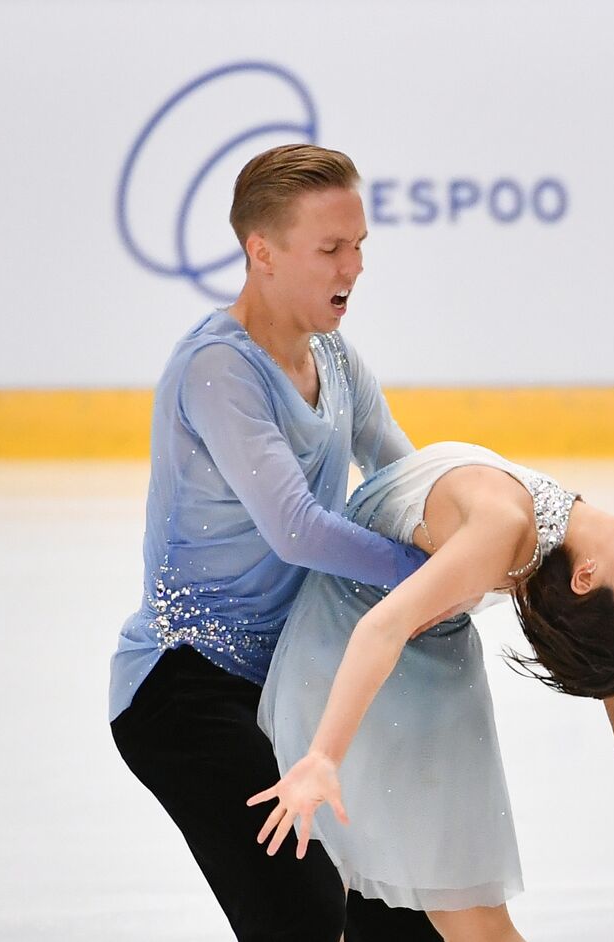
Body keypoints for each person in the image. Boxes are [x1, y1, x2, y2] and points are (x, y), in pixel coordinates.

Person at [108, 143, 445, 941]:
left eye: (359, 245)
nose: (354, 266)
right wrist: (428, 573)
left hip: (289, 687)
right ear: (262, 252)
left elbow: (405, 480)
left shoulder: (335, 357)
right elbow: (296, 530)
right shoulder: (218, 369)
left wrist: (489, 535)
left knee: (398, 905)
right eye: (331, 248)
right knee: (302, 916)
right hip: (185, 692)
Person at [250, 441, 614, 941]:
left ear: (586, 578)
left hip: (386, 652)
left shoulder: (516, 532)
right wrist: (324, 756)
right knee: (374, 907)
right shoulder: (534, 536)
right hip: (354, 652)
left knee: (472, 918)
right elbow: (380, 629)